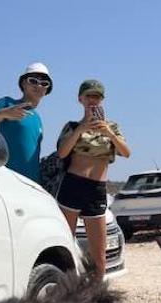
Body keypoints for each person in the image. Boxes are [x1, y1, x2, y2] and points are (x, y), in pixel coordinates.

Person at [56, 79, 131, 277]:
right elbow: (62, 153)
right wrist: (81, 129)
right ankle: (66, 295)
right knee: (65, 246)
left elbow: (126, 152)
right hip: (72, 186)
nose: (92, 100)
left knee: (99, 256)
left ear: (102, 100)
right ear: (80, 99)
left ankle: (98, 301)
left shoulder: (112, 127)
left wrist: (108, 132)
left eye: (97, 96)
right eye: (89, 96)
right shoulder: (72, 127)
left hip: (96, 190)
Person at [0, 62, 52, 183]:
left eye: (44, 83)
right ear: (23, 83)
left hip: (32, 184)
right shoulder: (7, 103)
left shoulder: (38, 118)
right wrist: (2, 114)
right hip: (9, 181)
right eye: (33, 81)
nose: (39, 86)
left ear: (46, 90)